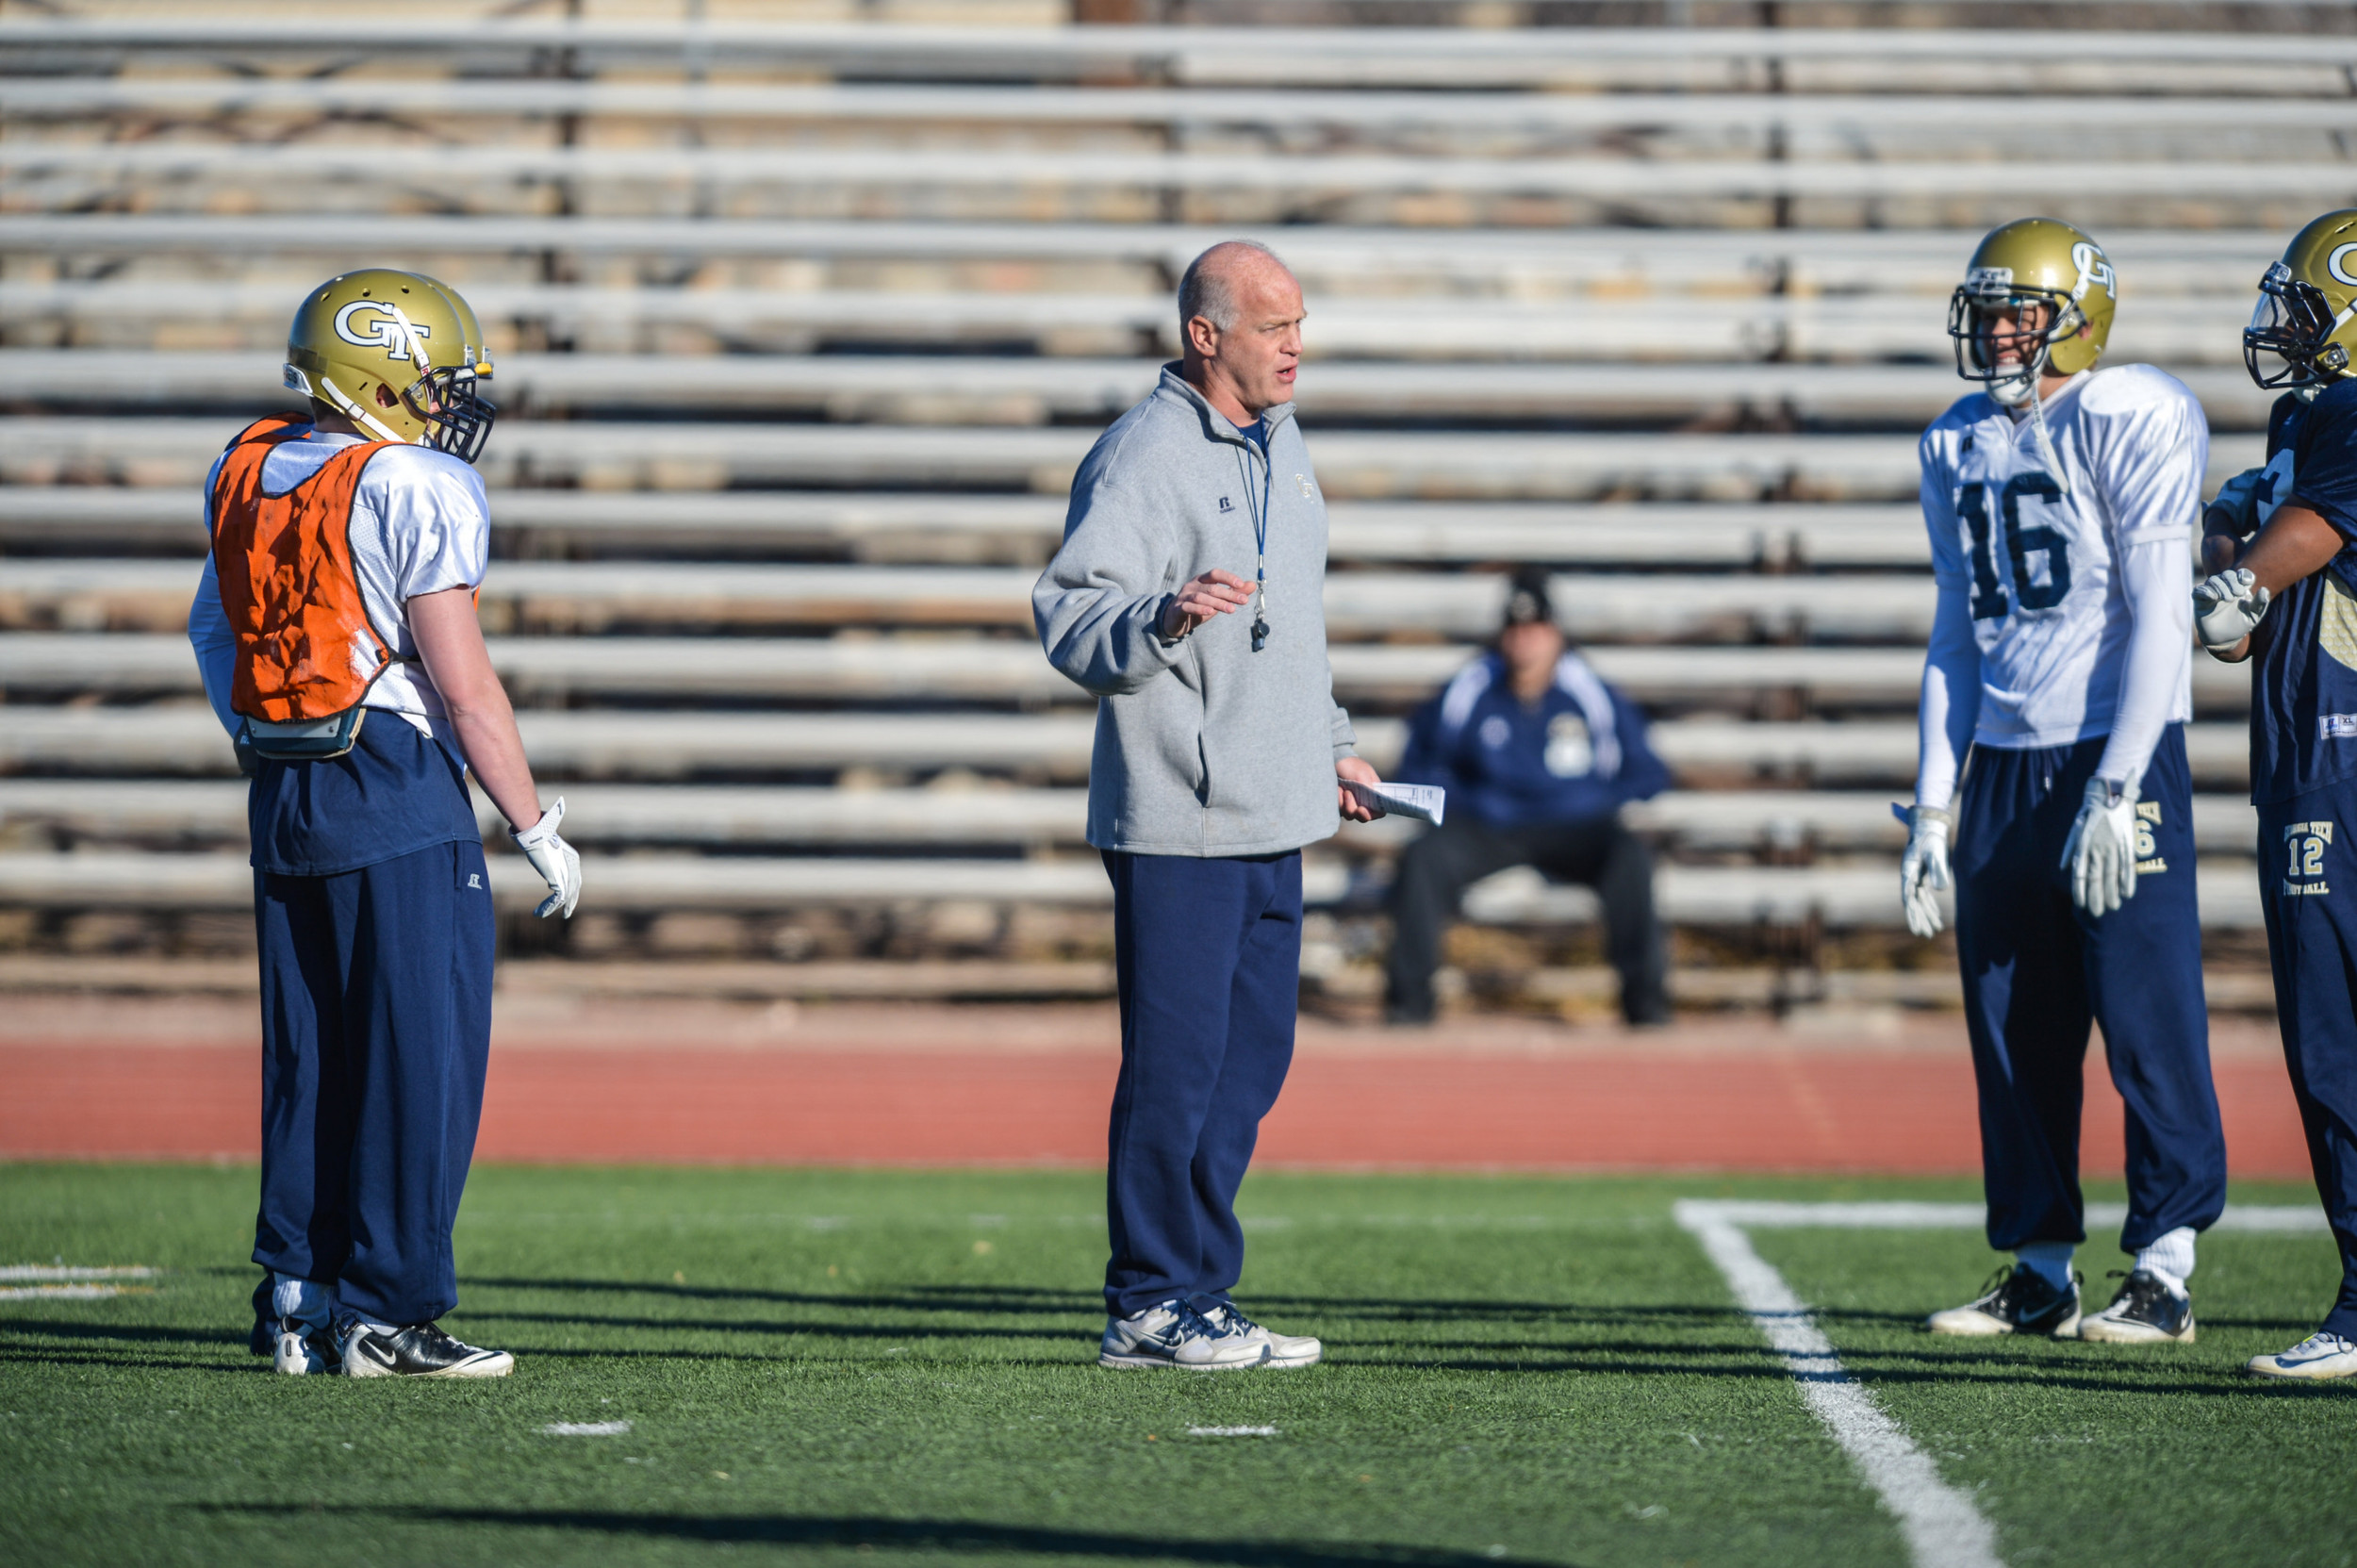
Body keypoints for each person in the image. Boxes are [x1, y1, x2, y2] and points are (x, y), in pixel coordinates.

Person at [189, 269, 582, 1379]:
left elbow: (211, 632)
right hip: (395, 780)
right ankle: (388, 1313)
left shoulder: (248, 462)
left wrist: (265, 739)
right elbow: (466, 691)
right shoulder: (411, 481)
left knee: (310, 1056)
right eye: (435, 380)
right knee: (417, 1061)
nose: (449, 403)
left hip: (284, 785)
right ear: (381, 373)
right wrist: (534, 820)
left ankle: (297, 1300)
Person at [1033, 239, 1382, 1371]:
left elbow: (1298, 632)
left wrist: (1330, 749)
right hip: (1179, 816)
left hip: (1277, 810)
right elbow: (1070, 618)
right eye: (1274, 326)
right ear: (1205, 335)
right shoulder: (1141, 456)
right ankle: (1145, 1299)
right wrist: (1163, 620)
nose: (1295, 346)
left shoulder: (1285, 441)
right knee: (1176, 1068)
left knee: (1248, 1067)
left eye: (1300, 324)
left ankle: (1201, 1291)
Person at [1899, 218, 2226, 1345]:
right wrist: (1933, 801)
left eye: (2017, 311)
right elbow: (1952, 631)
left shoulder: (2128, 410)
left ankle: (2166, 1266)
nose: (1994, 330)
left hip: (2110, 746)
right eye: (1983, 309)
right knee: (2011, 1024)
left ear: (2075, 318)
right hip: (2003, 757)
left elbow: (2161, 615)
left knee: (2144, 1017)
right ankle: (2039, 1266)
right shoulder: (1953, 439)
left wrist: (2119, 779)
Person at [2191, 209, 2357, 1379]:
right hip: (2306, 753)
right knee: (2324, 1037)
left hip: (2338, 765)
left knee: (2334, 1038)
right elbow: (2240, 630)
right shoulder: (2310, 418)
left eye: (2303, 309)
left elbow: (2307, 529)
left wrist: (2245, 567)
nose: (2282, 331)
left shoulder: (2344, 417)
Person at [1384, 567, 1672, 1027]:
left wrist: (1594, 800)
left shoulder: (1590, 691)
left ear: (1556, 633)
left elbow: (1647, 771)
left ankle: (1648, 1009)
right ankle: (1409, 1009)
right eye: (1515, 629)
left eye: (1536, 628)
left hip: (1574, 827)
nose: (1525, 640)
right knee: (1423, 859)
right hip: (1489, 825)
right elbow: (1420, 763)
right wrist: (1470, 799)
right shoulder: (1470, 687)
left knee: (1630, 858)